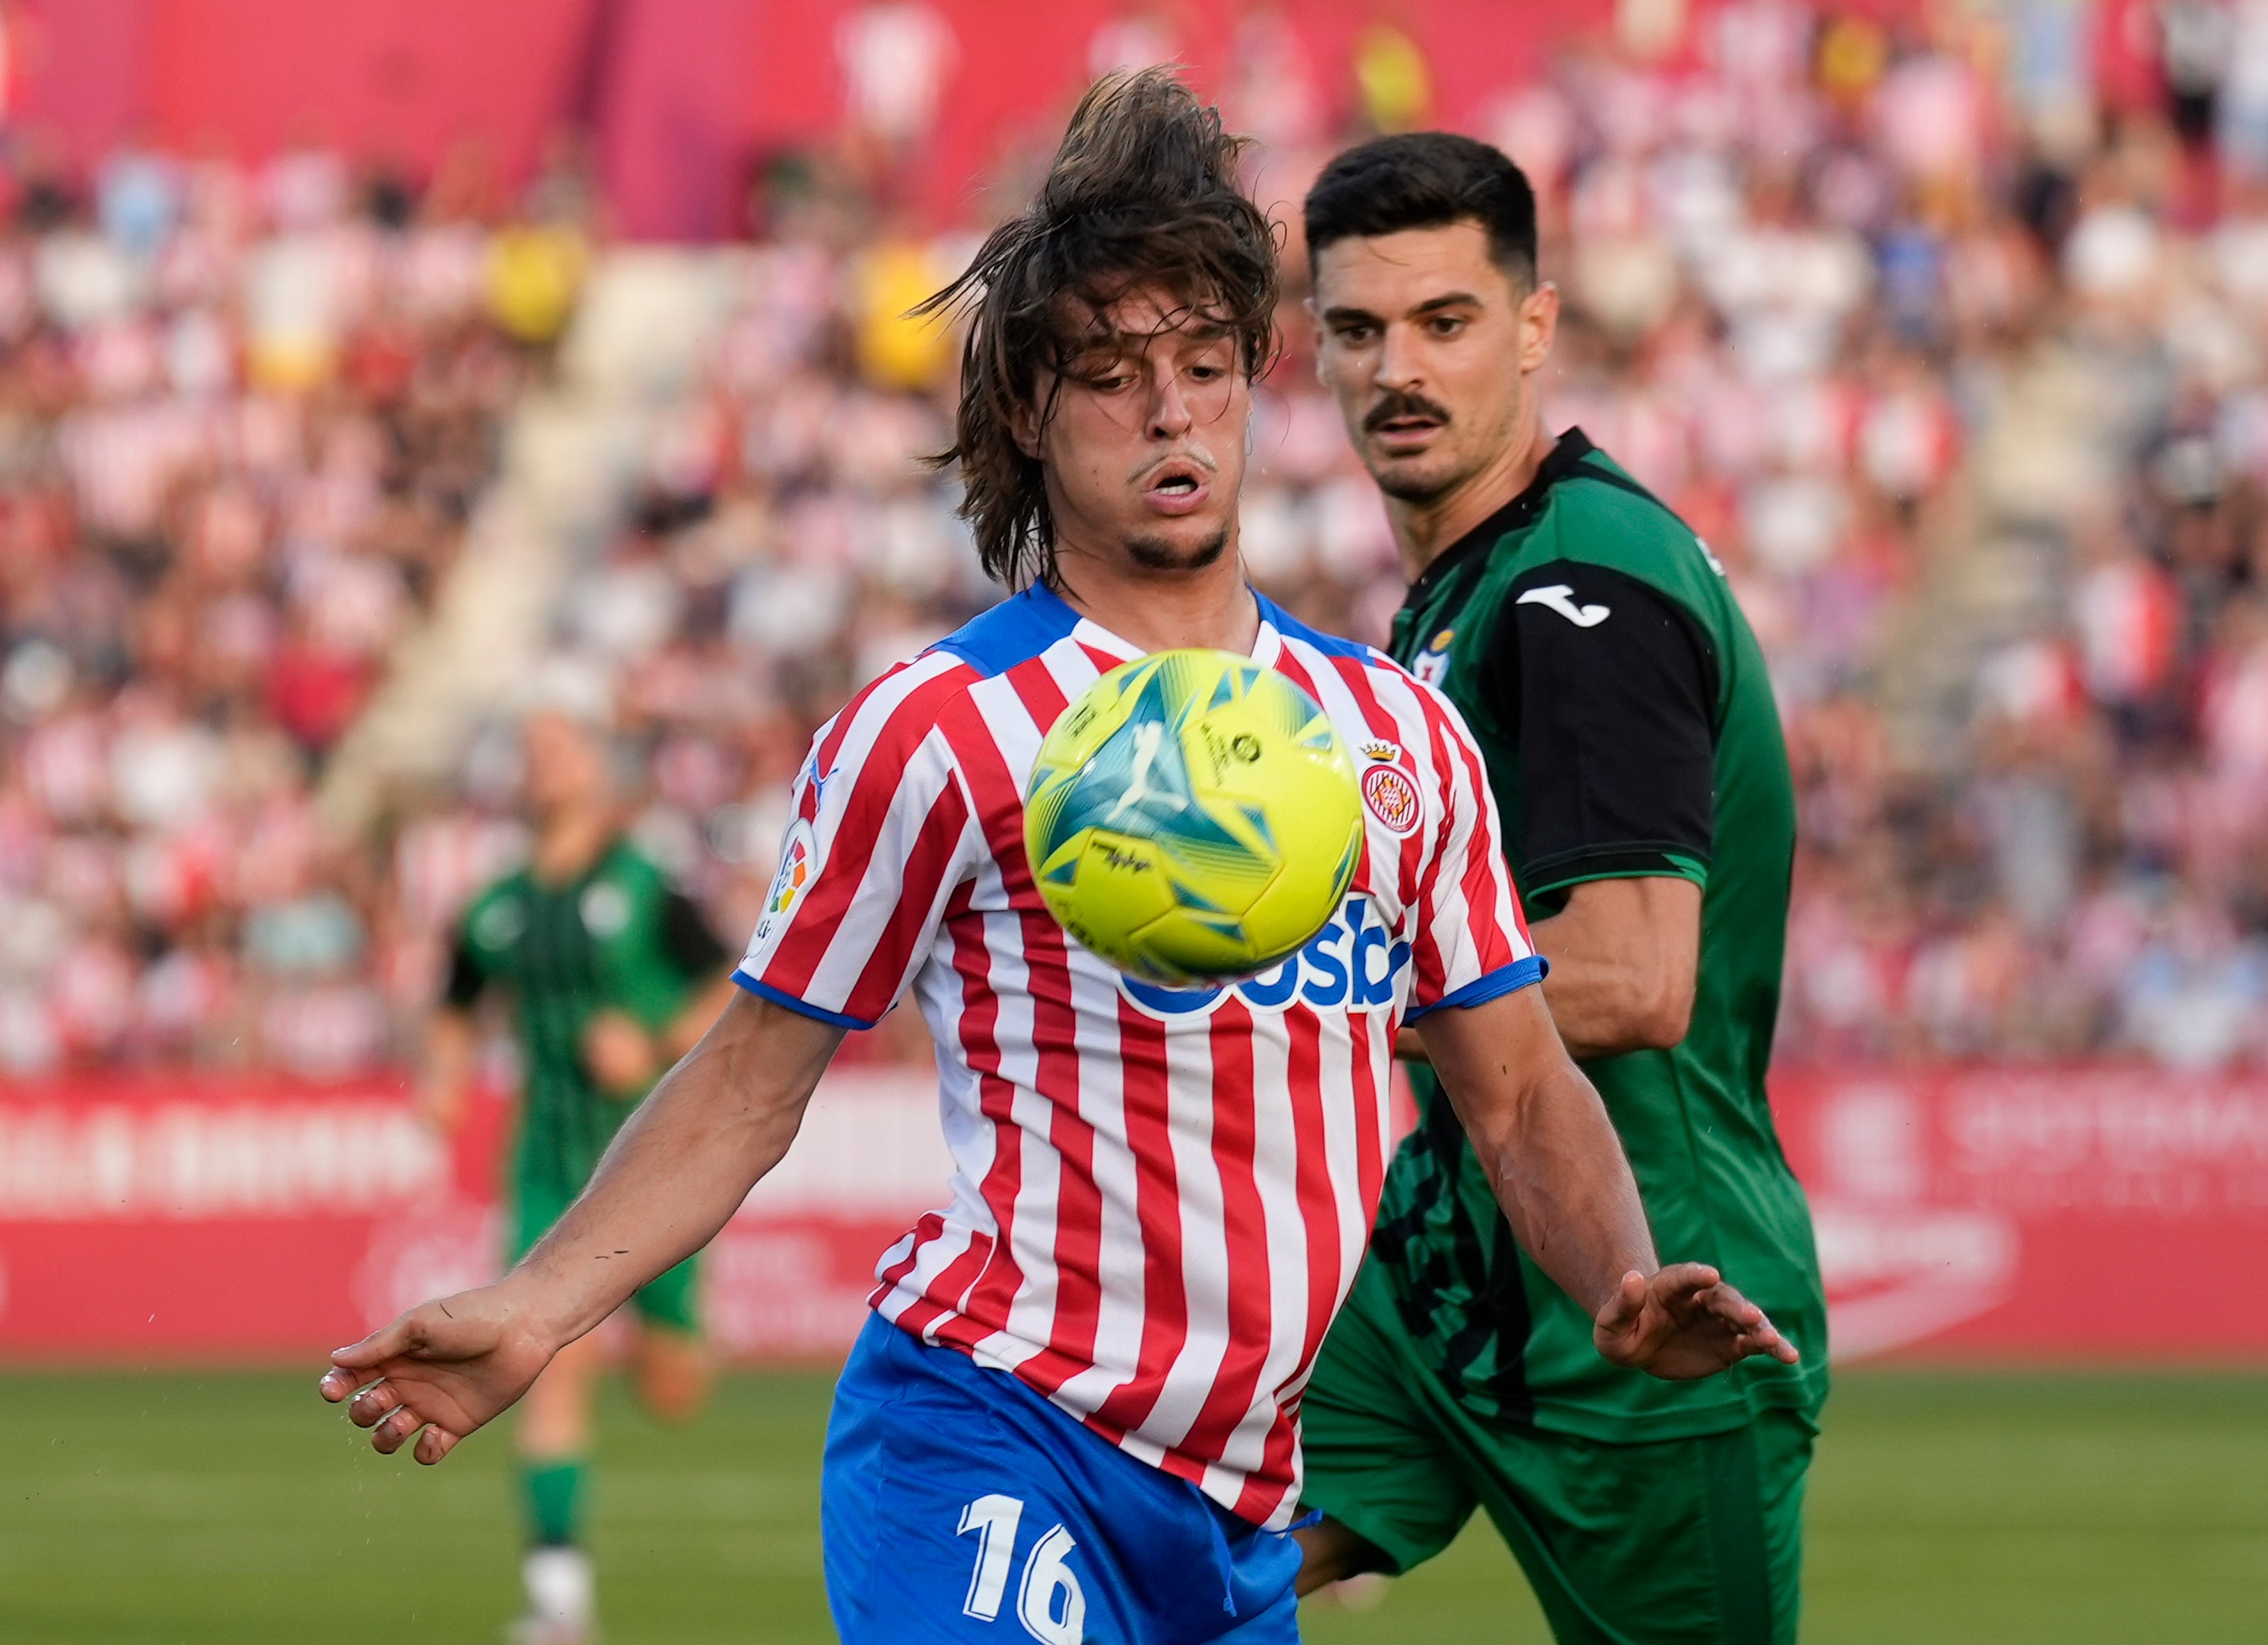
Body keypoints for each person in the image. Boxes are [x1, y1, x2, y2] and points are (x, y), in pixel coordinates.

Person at [321, 71, 1795, 1645]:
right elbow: (752, 1074)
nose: (1170, 412)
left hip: (1239, 1509)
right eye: (1109, 374)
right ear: (1028, 408)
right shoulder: (937, 729)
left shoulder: (1391, 736)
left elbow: (1513, 1086)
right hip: (990, 1427)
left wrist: (1618, 1276)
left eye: (1207, 366)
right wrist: (537, 1309)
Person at [1290, 133, 1828, 1644]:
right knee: (1156, 1553)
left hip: (1645, 1304)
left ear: (1532, 328)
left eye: (1444, 322)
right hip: (1440, 1273)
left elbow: (1629, 974)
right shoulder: (1458, 588)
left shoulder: (1578, 587)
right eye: (1355, 329)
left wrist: (1283, 979)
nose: (1396, 367)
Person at [423, 705, 735, 1645]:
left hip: (656, 1166)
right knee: (545, 1363)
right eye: (530, 750)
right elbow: (455, 999)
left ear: (600, 767)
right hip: (549, 1170)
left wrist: (649, 1040)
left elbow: (731, 985)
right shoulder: (498, 904)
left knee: (675, 1389)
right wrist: (440, 1079)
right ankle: (560, 1607)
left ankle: (643, 1334)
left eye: (558, 747)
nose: (540, 762)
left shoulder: (650, 885)